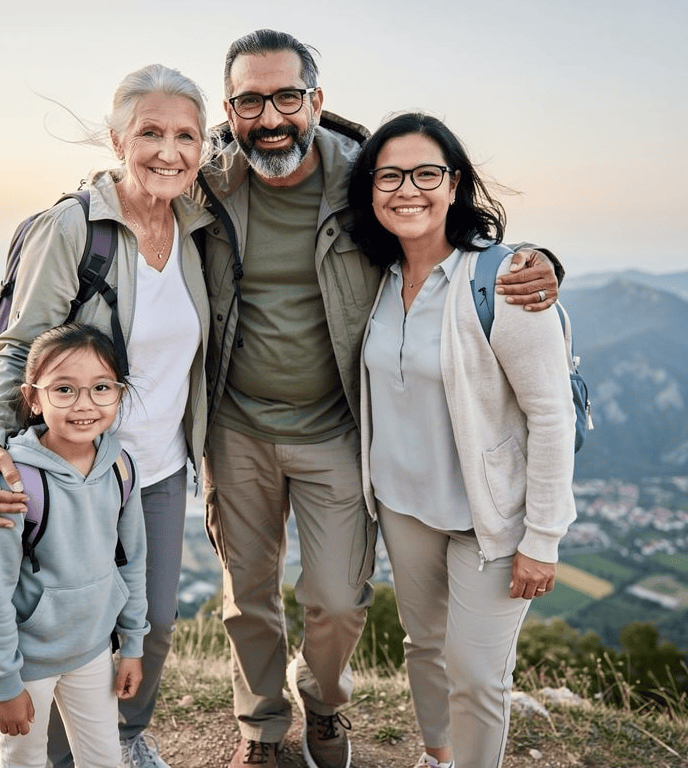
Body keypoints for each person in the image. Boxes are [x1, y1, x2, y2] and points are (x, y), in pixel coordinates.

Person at [193, 30, 562, 768]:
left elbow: (442, 231)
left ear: (316, 101)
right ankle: (264, 730)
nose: (271, 117)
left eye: (287, 97)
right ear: (229, 110)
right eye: (249, 100)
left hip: (335, 429)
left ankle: (323, 702)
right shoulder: (206, 182)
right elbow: (134, 184)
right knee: (249, 596)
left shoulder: (362, 176)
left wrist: (543, 264)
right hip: (235, 428)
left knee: (336, 600)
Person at [0, 64, 214, 768]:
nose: (169, 151)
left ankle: (123, 737)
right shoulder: (74, 229)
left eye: (185, 136)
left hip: (152, 469)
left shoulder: (198, 229)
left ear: (203, 147)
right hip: (67, 470)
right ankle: (52, 754)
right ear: (116, 139)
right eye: (151, 133)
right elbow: (18, 347)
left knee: (152, 622)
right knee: (57, 627)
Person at [348, 112, 578, 768]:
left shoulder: (501, 282)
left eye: (427, 173)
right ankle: (436, 757)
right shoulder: (378, 279)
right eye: (389, 174)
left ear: (455, 186)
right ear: (370, 188)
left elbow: (551, 416)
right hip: (403, 506)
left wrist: (543, 539)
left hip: (489, 522)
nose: (408, 189)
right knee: (424, 647)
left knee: (477, 676)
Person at [0, 322, 149, 768]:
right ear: (32, 397)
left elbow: (132, 562)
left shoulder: (121, 468)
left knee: (104, 759)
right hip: (27, 661)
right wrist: (2, 683)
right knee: (24, 760)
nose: (84, 404)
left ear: (120, 392)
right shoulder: (14, 482)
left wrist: (133, 644)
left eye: (101, 387)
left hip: (93, 650)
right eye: (64, 389)